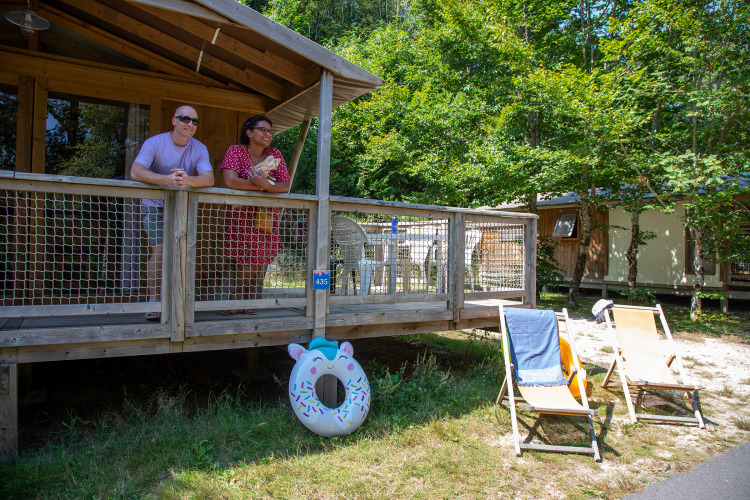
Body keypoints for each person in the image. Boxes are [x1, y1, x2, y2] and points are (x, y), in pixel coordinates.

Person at [130, 105, 215, 320]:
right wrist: (167, 180)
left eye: (195, 121)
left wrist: (187, 180)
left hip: (181, 206)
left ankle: (178, 303)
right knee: (160, 250)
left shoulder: (199, 148)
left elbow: (208, 179)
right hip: (153, 205)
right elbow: (136, 172)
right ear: (174, 120)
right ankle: (155, 300)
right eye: (185, 119)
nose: (190, 124)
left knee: (182, 252)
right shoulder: (154, 142)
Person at [220, 115, 291, 315]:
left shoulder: (274, 154)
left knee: (261, 255)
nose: (268, 134)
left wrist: (264, 185)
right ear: (249, 132)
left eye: (270, 131)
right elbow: (231, 181)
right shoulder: (235, 151)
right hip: (241, 214)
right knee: (251, 256)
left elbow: (285, 185)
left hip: (266, 214)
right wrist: (264, 186)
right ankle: (238, 296)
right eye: (263, 130)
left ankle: (247, 296)